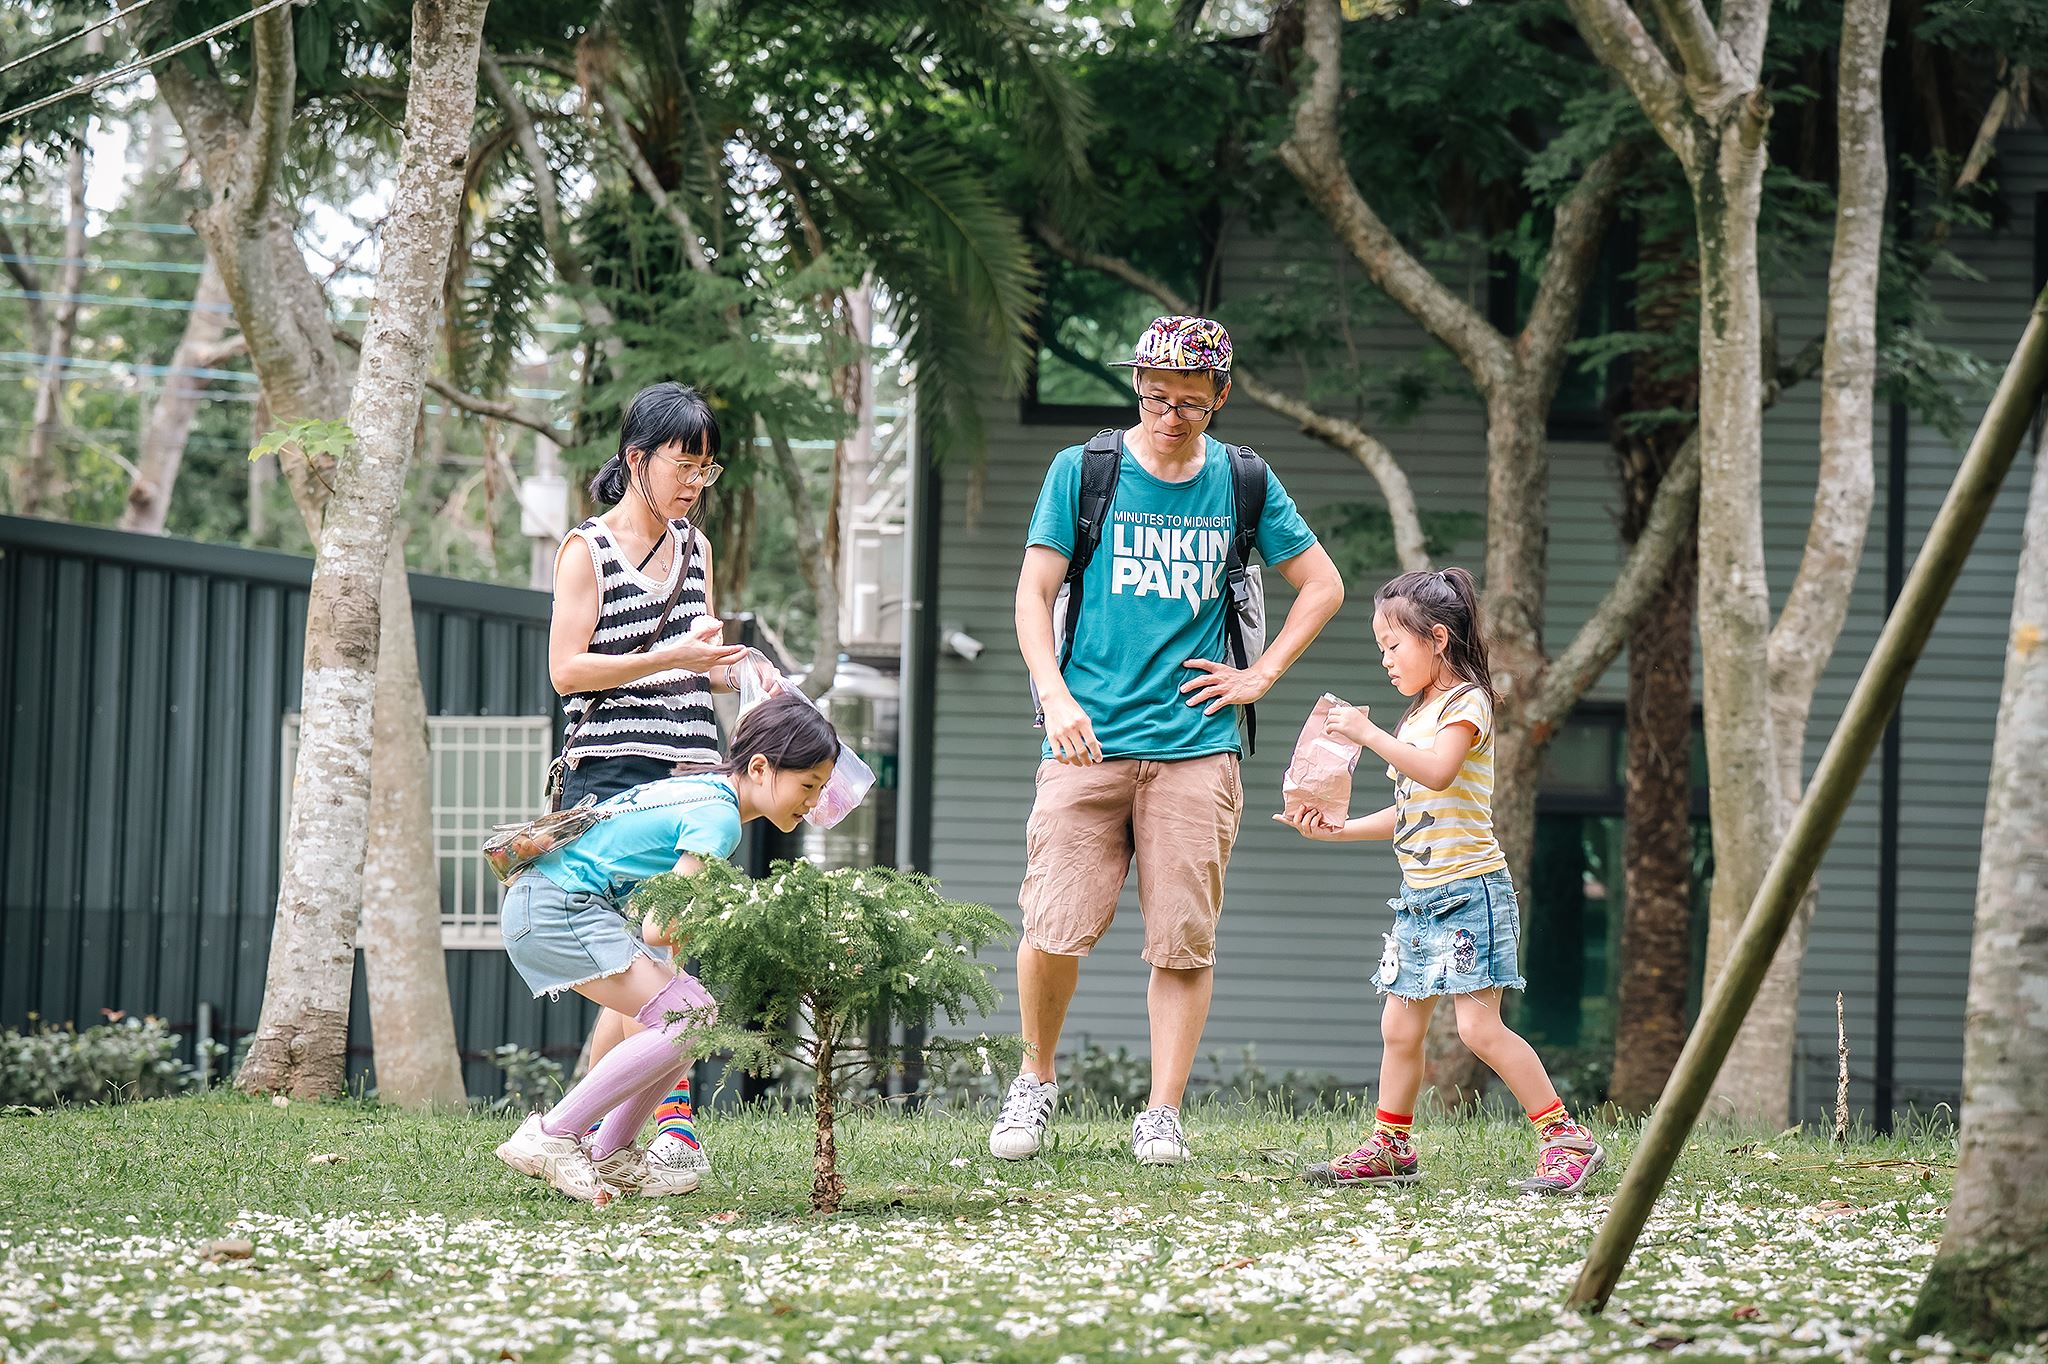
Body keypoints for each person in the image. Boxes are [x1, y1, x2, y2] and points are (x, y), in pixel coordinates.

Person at [997, 315, 1346, 1166]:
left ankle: (1161, 1113)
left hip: (1197, 746)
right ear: (1137, 387)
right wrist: (1054, 696)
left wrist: (1259, 677)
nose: (1169, 415)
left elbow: (1323, 584)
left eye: (1189, 402)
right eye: (1155, 397)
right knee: (1051, 925)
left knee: (1184, 939)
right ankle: (1034, 1081)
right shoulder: (1083, 471)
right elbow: (1034, 591)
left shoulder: (1243, 481)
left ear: (1220, 397)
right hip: (1085, 741)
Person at [1277, 568, 1606, 1194]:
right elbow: (1410, 809)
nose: (1385, 660)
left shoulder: (1467, 703)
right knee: (1399, 1027)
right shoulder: (1415, 718)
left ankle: (1567, 1139)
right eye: (1380, 649)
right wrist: (1335, 831)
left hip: (1471, 893)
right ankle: (1391, 1147)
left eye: (1392, 645)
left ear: (1437, 639)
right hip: (1419, 899)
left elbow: (1437, 773)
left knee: (1480, 1029)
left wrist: (1368, 734)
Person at [495, 694, 838, 1201]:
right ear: (760, 768)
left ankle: (609, 1151)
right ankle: (553, 1134)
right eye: (808, 785)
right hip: (556, 908)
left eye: (822, 788)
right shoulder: (719, 818)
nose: (814, 802)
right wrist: (742, 920)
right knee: (690, 1018)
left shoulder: (702, 789)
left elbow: (658, 921)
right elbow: (660, 926)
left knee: (692, 1014)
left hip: (549, 902)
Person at [549, 381, 754, 1173]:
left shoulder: (695, 548)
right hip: (611, 780)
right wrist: (671, 655)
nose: (696, 482)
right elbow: (567, 671)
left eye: (707, 468)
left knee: (664, 961)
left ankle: (597, 1136)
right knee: (651, 965)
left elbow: (695, 666)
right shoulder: (588, 550)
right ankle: (665, 1124)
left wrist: (739, 673)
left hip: (691, 769)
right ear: (637, 460)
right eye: (683, 464)